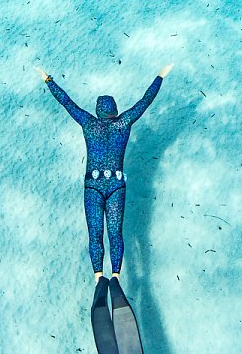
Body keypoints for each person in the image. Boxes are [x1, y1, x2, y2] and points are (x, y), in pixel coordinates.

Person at [36, 63, 173, 282]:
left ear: (98, 111)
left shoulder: (88, 123)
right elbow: (145, 101)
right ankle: (116, 276)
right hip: (117, 186)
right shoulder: (125, 122)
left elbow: (66, 102)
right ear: (116, 110)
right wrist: (160, 75)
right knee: (115, 233)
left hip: (93, 187)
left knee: (95, 234)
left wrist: (48, 79)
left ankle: (99, 276)